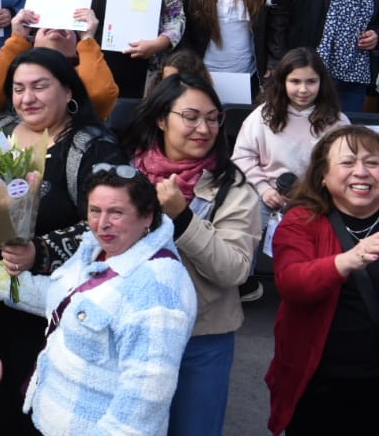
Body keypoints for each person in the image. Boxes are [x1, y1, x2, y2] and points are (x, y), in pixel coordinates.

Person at [0, 164, 197, 436]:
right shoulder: (96, 247)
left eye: (117, 212)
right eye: (95, 210)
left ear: (147, 217)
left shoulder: (159, 289)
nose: (102, 223)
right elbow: (63, 298)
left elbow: (144, 402)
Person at [0, 47, 126, 434]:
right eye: (19, 88)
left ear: (69, 91)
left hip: (54, 305)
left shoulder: (92, 146)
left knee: (45, 410)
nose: (27, 98)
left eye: (40, 86)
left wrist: (38, 251)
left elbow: (108, 225)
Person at [122, 73, 262, 435]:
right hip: (130, 330)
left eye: (213, 118)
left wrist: (182, 218)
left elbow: (235, 270)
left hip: (202, 339)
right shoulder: (125, 175)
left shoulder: (233, 189)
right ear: (160, 118)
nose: (204, 128)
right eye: (191, 116)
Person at [266, 124, 379, 433]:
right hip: (320, 382)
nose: (362, 172)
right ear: (323, 176)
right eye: (347, 163)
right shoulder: (301, 220)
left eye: (372, 163)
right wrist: (351, 258)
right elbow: (292, 282)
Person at [233, 47, 349, 232]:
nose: (303, 89)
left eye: (311, 81)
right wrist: (264, 189)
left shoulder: (337, 122)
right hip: (268, 198)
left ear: (322, 82)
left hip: (318, 202)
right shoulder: (263, 116)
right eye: (295, 81)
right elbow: (242, 157)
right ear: (283, 81)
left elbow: (346, 165)